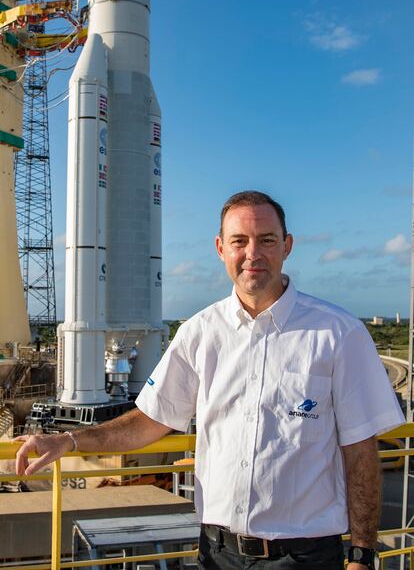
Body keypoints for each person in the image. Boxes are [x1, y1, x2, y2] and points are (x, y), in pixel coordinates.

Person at [15, 190, 404, 570]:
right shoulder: (199, 333)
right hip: (217, 553)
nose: (252, 253)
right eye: (240, 241)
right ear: (221, 249)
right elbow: (152, 419)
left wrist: (362, 554)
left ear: (286, 246)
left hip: (305, 556)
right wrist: (69, 439)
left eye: (266, 240)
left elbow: (360, 449)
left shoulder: (337, 333)